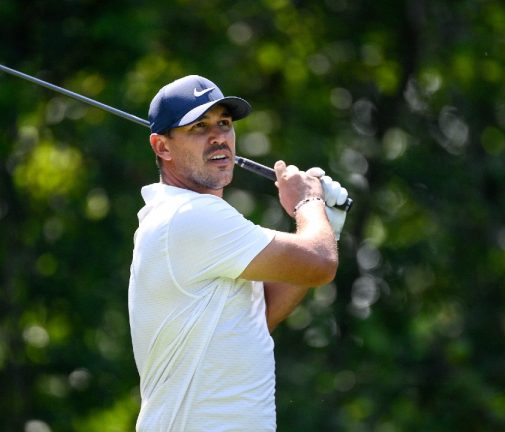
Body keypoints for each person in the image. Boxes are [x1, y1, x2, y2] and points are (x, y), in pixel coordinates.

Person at [127, 75, 349, 431]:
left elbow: (258, 319)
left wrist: (328, 224)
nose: (218, 137)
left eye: (224, 124)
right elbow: (321, 264)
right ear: (162, 147)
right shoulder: (188, 216)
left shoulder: (194, 219)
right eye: (199, 127)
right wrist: (308, 202)